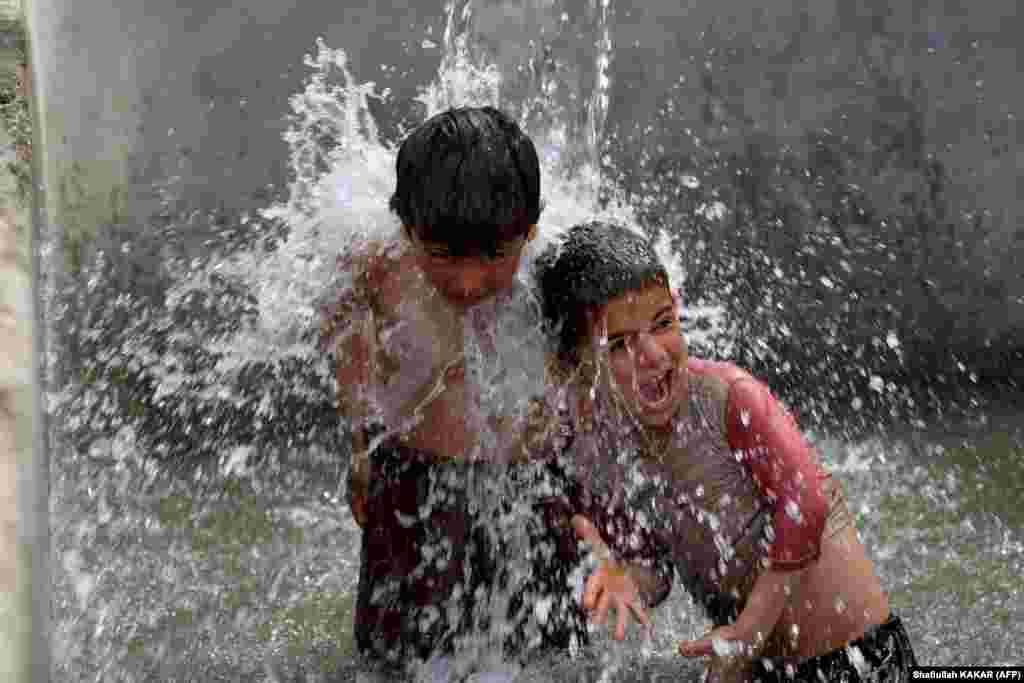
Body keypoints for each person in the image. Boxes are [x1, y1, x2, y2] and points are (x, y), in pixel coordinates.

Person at [318, 107, 659, 680]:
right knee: (391, 662)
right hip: (415, 480)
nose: (470, 283)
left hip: (532, 487)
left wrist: (601, 512)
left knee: (550, 658)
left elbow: (593, 379)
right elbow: (345, 332)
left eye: (496, 258)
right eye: (445, 258)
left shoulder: (550, 275)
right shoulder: (379, 268)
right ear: (407, 229)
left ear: (529, 230)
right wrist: (359, 446)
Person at [535, 220, 917, 682]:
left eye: (663, 324)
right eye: (619, 345)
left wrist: (751, 629)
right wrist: (620, 576)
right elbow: (655, 569)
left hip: (855, 660)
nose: (654, 355)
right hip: (755, 665)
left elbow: (807, 506)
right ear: (573, 366)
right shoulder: (610, 449)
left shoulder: (727, 398)